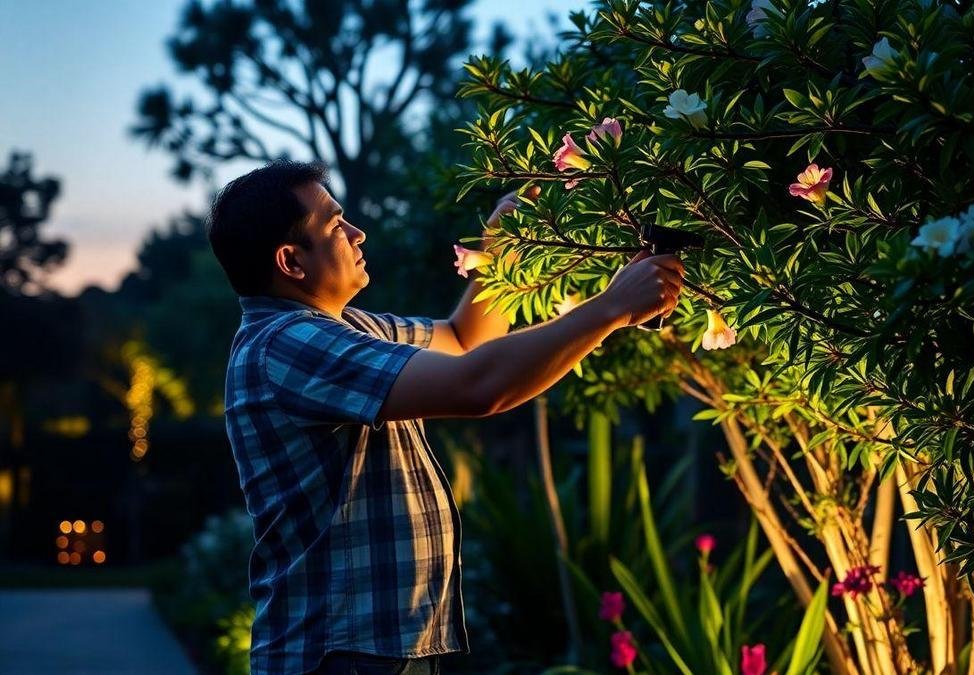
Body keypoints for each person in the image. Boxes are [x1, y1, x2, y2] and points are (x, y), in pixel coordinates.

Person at [207, 160, 683, 674]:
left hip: (375, 648)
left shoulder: (348, 329)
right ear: (291, 261)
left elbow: (464, 341)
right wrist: (612, 307)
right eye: (335, 225)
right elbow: (478, 386)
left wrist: (500, 249)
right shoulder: (288, 345)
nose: (357, 233)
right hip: (341, 654)